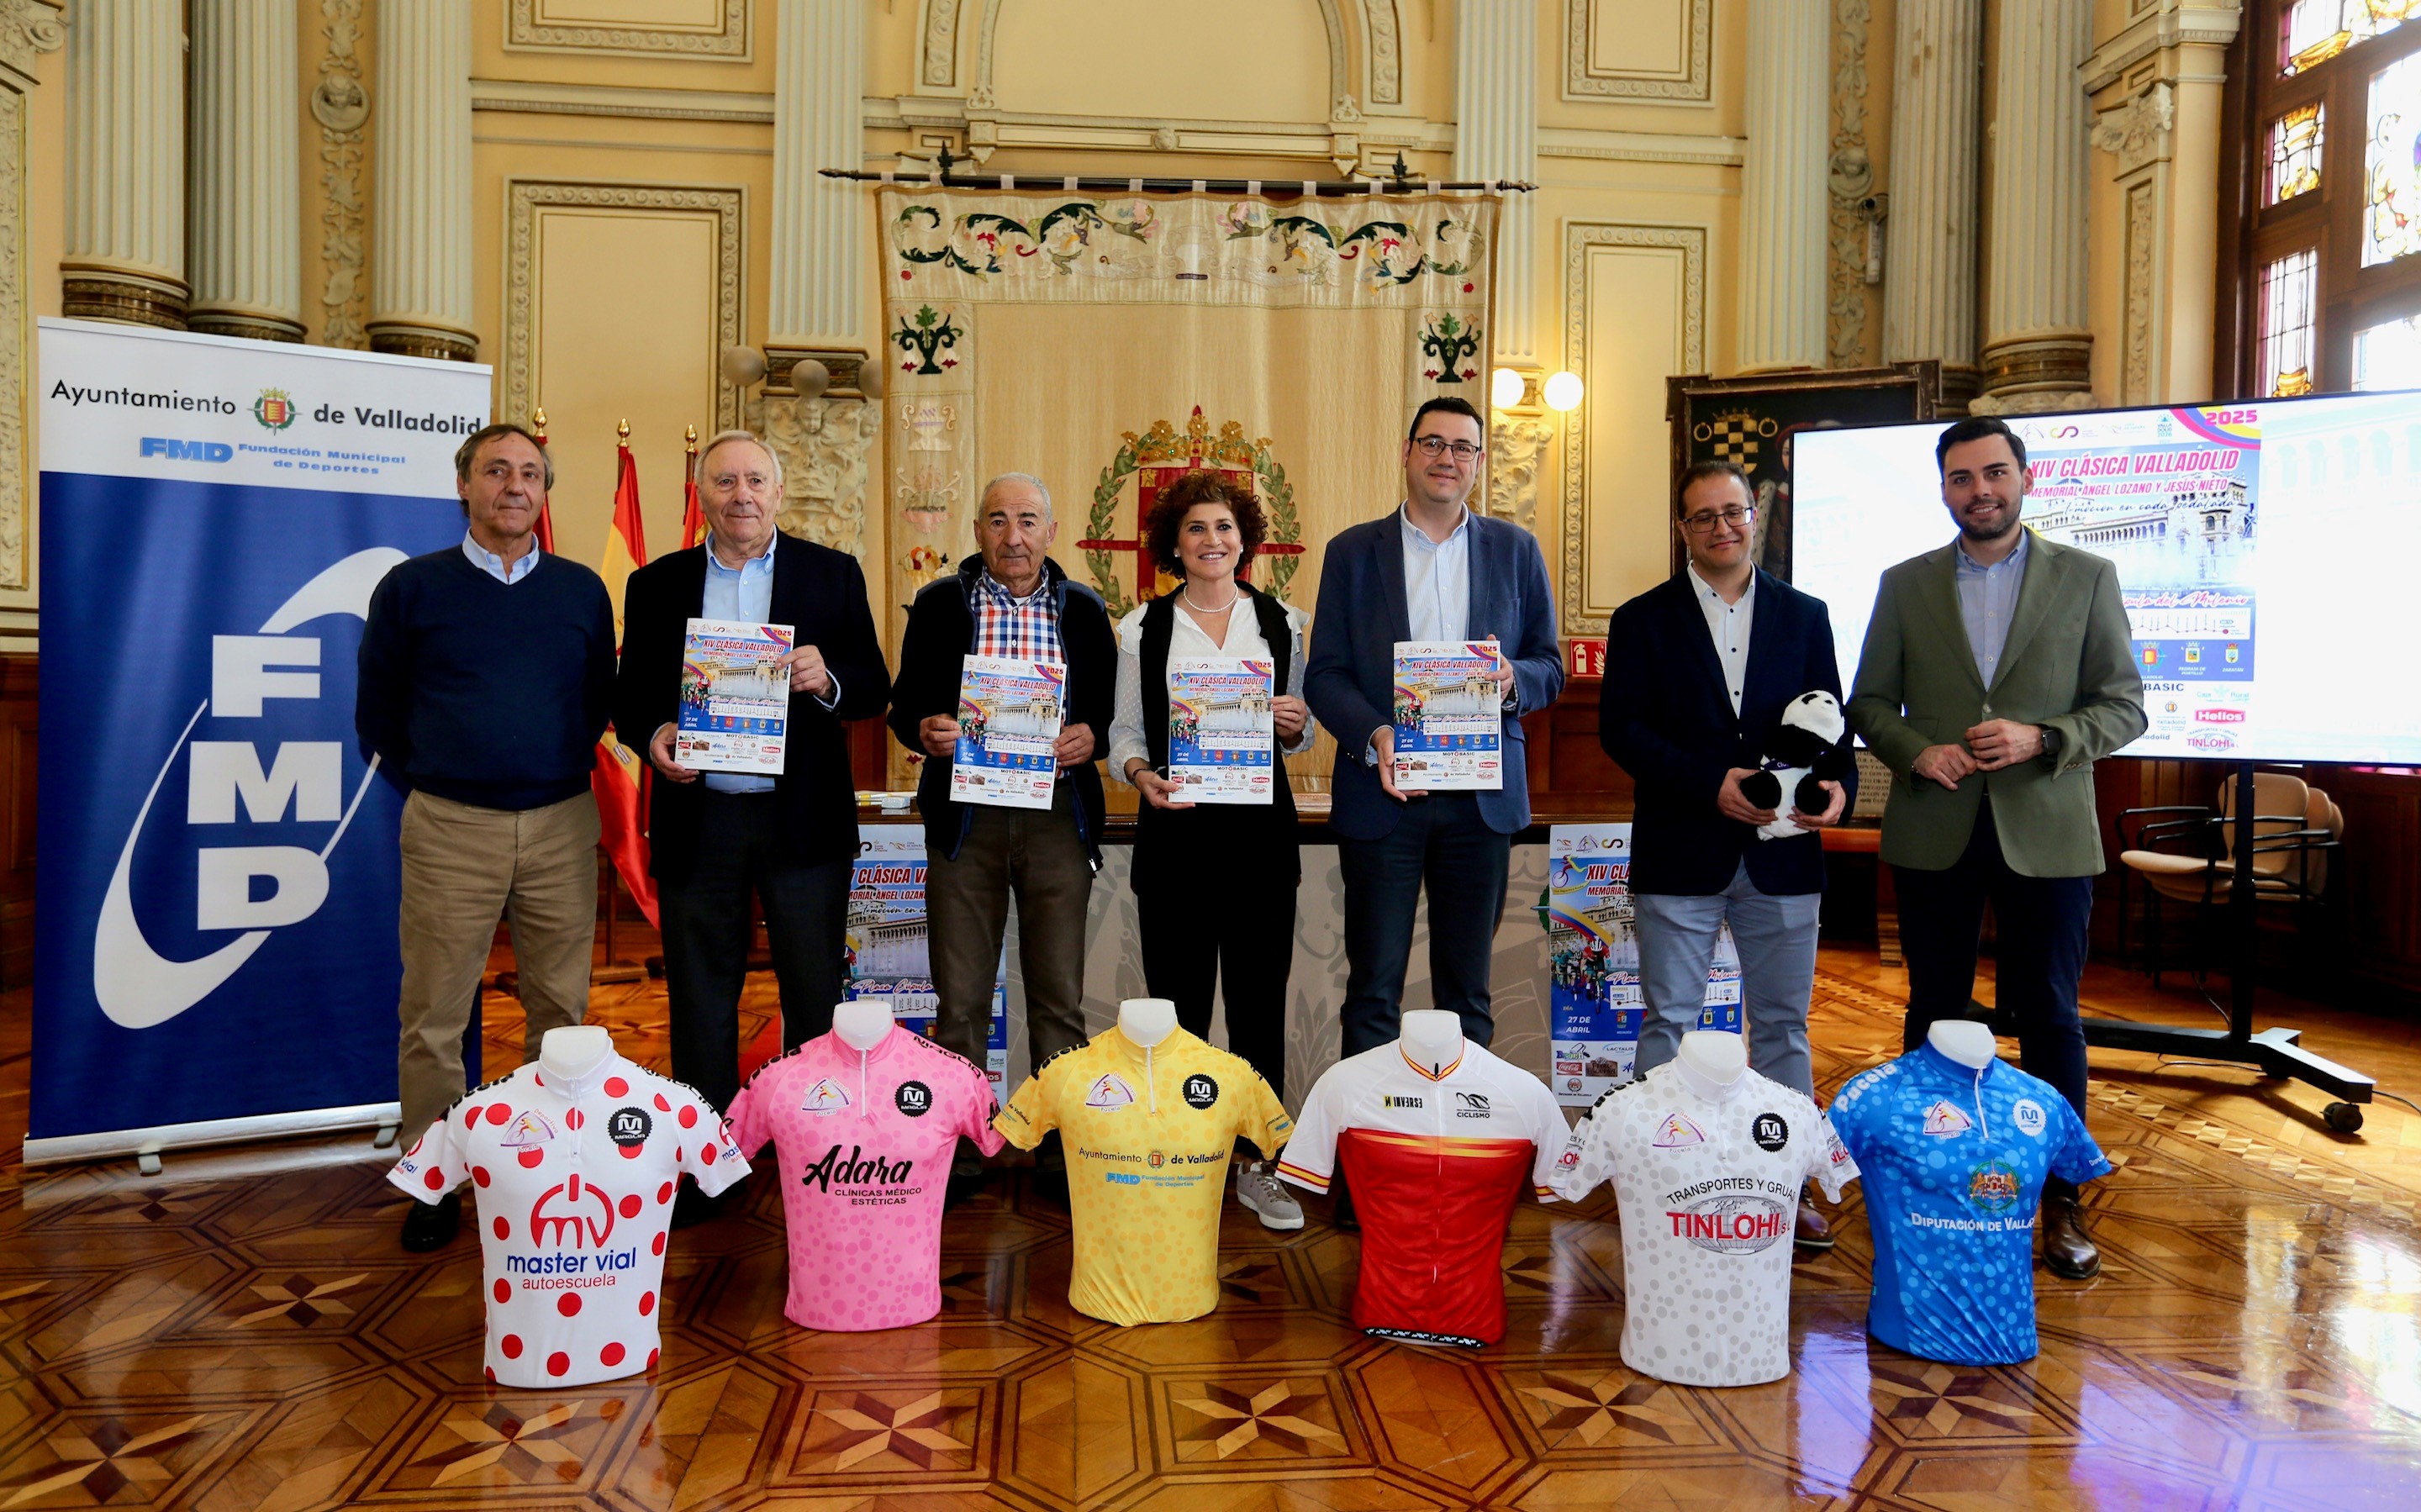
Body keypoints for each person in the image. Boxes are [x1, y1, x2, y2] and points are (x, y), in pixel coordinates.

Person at [1847, 414, 2147, 1280]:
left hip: (2047, 833)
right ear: (1943, 488)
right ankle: (1923, 1180)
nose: (1979, 490)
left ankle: (2062, 1195)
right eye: (1961, 477)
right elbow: (1868, 703)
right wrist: (1914, 750)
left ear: (2024, 476)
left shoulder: (2088, 577)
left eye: (1993, 472)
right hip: (1934, 829)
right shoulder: (1904, 584)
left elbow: (2125, 704)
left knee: (2051, 1015)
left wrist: (2043, 738)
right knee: (1933, 1010)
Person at [615, 429, 892, 1225]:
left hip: (801, 821)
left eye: (756, 481)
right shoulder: (657, 582)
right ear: (704, 496)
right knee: (703, 996)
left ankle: (819, 1155)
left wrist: (827, 677)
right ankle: (709, 1161)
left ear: (779, 493)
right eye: (726, 481)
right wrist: (655, 738)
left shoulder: (830, 574)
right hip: (701, 819)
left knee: (813, 998)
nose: (742, 495)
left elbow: (873, 687)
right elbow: (631, 698)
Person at [357, 423, 615, 1252]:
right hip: (450, 823)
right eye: (496, 470)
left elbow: (597, 700)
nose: (514, 485)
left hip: (561, 820)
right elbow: (378, 714)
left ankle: (550, 1166)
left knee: (560, 1006)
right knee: (434, 1010)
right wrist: (451, 775)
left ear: (545, 492)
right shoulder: (411, 588)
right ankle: (434, 1178)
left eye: (531, 473)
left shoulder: (581, 590)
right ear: (464, 485)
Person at [1599, 460, 1858, 1251]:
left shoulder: (1806, 614)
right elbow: (1623, 731)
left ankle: (1784, 1188)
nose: (1721, 527)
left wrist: (1840, 788)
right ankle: (1658, 1183)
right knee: (1669, 1022)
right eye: (1703, 516)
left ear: (1756, 518)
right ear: (1683, 529)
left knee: (1783, 1025)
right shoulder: (1642, 618)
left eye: (1733, 512)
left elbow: (1830, 724)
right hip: (1683, 849)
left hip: (1783, 861)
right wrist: (1709, 783)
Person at [1305, 396, 1564, 1056]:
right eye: (1433, 443)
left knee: (1467, 995)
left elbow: (1549, 666)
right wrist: (1375, 735)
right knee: (1372, 992)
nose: (1447, 458)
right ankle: (1367, 1150)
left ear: (1478, 463)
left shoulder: (1516, 549)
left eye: (1462, 447)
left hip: (1482, 803)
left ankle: (1464, 1149)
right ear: (1407, 452)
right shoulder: (1352, 552)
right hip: (1384, 797)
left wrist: (1512, 680)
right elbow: (1325, 675)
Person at [889, 473, 1116, 1204]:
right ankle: (959, 1144)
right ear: (979, 530)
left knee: (1058, 995)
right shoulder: (937, 604)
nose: (1012, 537)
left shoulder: (1083, 608)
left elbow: (1109, 711)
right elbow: (903, 708)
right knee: (959, 997)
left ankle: (1057, 1145)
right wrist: (923, 728)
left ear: (1053, 531)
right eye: (997, 521)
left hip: (1054, 817)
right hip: (967, 821)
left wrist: (1092, 737)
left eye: (1027, 521)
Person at [1107, 470, 1316, 1231]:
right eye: (1196, 528)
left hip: (1260, 842)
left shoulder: (1286, 622)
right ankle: (1185, 1162)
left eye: (1225, 527)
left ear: (1245, 539)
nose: (1212, 541)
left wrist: (1295, 722)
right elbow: (1123, 732)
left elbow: (1305, 731)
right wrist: (1140, 774)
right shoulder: (1141, 628)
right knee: (1178, 1013)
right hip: (1177, 837)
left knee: (1260, 1011)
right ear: (1174, 543)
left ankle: (1260, 1167)